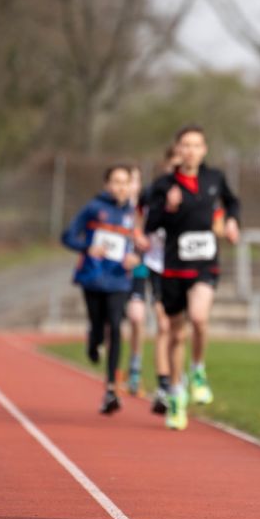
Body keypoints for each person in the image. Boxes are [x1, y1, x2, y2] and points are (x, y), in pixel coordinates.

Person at [145, 125, 241, 430]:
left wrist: (232, 223)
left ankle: (198, 370)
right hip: (174, 266)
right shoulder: (163, 185)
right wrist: (169, 207)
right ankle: (176, 394)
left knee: (199, 318)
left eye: (196, 145)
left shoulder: (214, 178)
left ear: (204, 150)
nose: (190, 150)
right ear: (178, 150)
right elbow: (150, 223)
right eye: (185, 145)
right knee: (176, 335)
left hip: (204, 264)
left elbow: (232, 202)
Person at [61, 164, 140, 414]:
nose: (120, 187)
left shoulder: (132, 213)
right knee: (98, 325)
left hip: (119, 280)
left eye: (125, 182)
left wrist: (135, 258)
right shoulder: (94, 208)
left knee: (115, 326)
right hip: (93, 277)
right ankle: (93, 341)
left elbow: (137, 245)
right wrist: (87, 248)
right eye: (116, 182)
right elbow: (67, 236)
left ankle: (111, 388)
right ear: (107, 184)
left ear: (130, 185)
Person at [137, 147, 179, 415]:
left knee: (180, 329)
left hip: (186, 267)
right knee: (163, 325)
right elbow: (137, 217)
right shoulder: (151, 192)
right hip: (157, 265)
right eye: (173, 165)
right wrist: (137, 236)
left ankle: (179, 380)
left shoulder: (196, 191)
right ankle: (164, 386)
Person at [124, 166, 148, 396]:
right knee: (112, 323)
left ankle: (135, 368)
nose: (132, 185)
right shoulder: (111, 209)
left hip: (138, 271)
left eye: (135, 180)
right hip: (114, 273)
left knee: (137, 317)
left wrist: (139, 254)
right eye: (128, 180)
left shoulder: (144, 210)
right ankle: (112, 373)